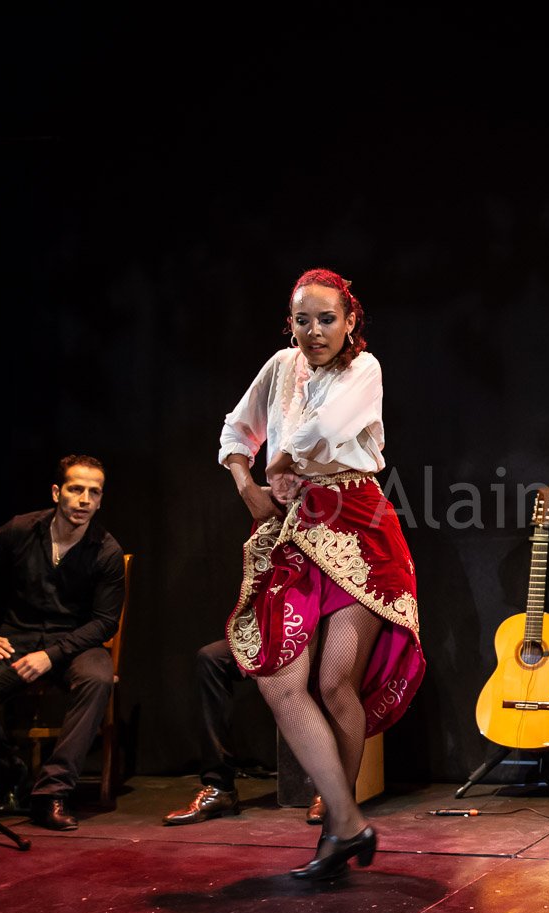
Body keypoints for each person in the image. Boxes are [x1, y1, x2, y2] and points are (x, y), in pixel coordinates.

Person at [218, 267, 424, 880]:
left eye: (327, 319)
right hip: (294, 529)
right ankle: (348, 822)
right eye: (302, 321)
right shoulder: (281, 367)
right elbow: (236, 430)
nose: (314, 332)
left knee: (336, 685)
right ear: (290, 324)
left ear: (350, 320)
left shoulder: (365, 369)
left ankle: (338, 825)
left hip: (357, 526)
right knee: (279, 680)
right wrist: (248, 484)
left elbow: (326, 430)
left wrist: (279, 461)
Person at [0, 455, 125, 832]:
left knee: (97, 679)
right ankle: (11, 777)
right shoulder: (21, 530)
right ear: (57, 492)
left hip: (76, 645)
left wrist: (51, 655)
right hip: (18, 638)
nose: (85, 499)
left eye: (94, 492)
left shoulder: (106, 550)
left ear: (101, 500)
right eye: (76, 489)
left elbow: (104, 622)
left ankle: (50, 793)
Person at [162, 640, 324, 825]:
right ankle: (219, 789)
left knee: (324, 664)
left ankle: (328, 792)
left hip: (312, 638)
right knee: (211, 658)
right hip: (272, 637)